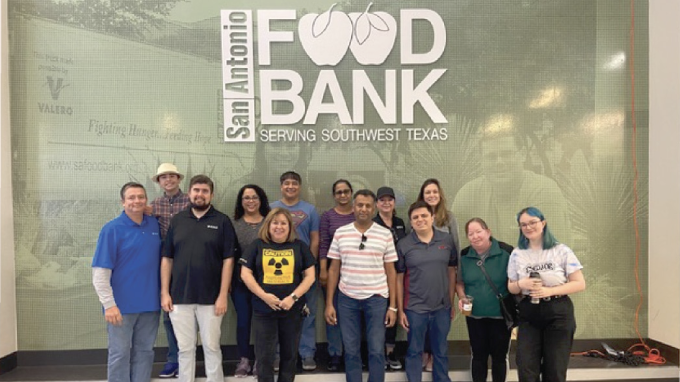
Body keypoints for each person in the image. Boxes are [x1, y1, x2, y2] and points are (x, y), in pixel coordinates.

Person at [160, 175, 236, 382]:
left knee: (212, 347)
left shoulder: (222, 221)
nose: (199, 194)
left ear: (211, 194)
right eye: (196, 190)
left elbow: (229, 260)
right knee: (185, 349)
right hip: (179, 297)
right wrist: (165, 292)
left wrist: (222, 295)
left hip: (211, 298)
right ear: (190, 192)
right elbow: (167, 258)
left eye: (204, 191)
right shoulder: (178, 220)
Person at [452, 124, 571, 245]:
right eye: (491, 157)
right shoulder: (469, 194)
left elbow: (550, 255)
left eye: (506, 154)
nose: (499, 162)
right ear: (482, 160)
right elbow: (452, 247)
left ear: (523, 154)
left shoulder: (544, 191)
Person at [325, 189, 398, 382]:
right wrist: (329, 304)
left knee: (376, 349)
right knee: (350, 350)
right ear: (353, 207)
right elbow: (333, 270)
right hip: (346, 299)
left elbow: (391, 271)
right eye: (359, 205)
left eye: (367, 205)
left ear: (374, 208)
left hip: (377, 299)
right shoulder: (341, 233)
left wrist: (393, 306)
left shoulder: (384, 234)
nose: (363, 209)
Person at [92, 182, 161, 382]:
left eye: (141, 197)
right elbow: (100, 273)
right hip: (120, 308)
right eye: (131, 197)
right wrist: (109, 304)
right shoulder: (111, 229)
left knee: (145, 352)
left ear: (146, 200)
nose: (136, 201)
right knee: (120, 354)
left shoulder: (154, 225)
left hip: (150, 305)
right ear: (123, 202)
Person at [507, 207, 586, 382]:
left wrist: (549, 291)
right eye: (523, 224)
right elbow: (511, 287)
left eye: (533, 222)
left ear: (543, 223)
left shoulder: (561, 250)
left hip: (558, 312)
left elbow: (579, 283)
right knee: (526, 367)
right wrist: (521, 284)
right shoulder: (517, 253)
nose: (528, 227)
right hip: (529, 313)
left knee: (555, 370)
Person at [240, 208, 316, 382]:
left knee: (289, 357)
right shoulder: (257, 245)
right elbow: (245, 274)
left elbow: (310, 276)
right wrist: (264, 296)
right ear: (268, 225)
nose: (279, 227)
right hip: (263, 311)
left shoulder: (300, 246)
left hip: (292, 310)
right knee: (265, 358)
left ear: (290, 227)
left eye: (283, 223)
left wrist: (293, 298)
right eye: (275, 223)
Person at [396, 201, 457, 382]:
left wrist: (451, 301)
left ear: (432, 217)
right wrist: (400, 310)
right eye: (415, 217)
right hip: (415, 309)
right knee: (414, 351)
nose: (420, 220)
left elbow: (452, 270)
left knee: (441, 351)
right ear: (411, 222)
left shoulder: (446, 240)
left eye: (424, 215)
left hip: (442, 308)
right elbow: (399, 278)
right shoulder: (404, 244)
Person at [270, 171, 320, 370]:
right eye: (286, 183)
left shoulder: (310, 210)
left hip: (304, 271)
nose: (290, 186)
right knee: (277, 313)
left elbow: (315, 238)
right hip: (278, 270)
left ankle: (307, 353)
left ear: (300, 187)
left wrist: (310, 264)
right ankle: (277, 354)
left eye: (294, 183)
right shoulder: (272, 208)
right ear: (281, 186)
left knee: (308, 313)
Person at [456, 218, 514, 382]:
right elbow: (459, 282)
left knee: (500, 357)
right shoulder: (464, 255)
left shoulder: (506, 252)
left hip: (500, 316)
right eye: (470, 234)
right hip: (475, 316)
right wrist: (461, 297)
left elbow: (516, 281)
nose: (475, 236)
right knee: (478, 356)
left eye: (478, 232)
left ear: (488, 232)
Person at [149, 163, 190, 379]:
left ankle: (188, 359)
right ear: (159, 182)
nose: (168, 180)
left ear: (178, 179)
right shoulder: (154, 205)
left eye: (172, 176)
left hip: (189, 261)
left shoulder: (191, 200)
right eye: (163, 177)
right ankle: (173, 359)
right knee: (169, 313)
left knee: (192, 314)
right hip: (165, 261)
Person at [416, 178, 460, 370]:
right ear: (422, 196)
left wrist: (458, 279)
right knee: (421, 317)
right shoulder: (417, 216)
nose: (432, 195)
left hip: (444, 277)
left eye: (434, 192)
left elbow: (456, 248)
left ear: (440, 194)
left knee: (440, 319)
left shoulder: (449, 218)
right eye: (428, 192)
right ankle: (424, 352)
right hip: (421, 278)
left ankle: (435, 354)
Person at [232, 185, 271, 377]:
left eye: (254, 197)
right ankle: (244, 359)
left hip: (266, 282)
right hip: (240, 284)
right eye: (246, 198)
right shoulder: (234, 224)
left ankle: (260, 361)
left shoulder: (269, 223)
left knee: (263, 323)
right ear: (241, 201)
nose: (250, 201)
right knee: (243, 321)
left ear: (261, 200)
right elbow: (228, 255)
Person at [318, 179, 355, 371]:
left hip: (355, 272)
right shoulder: (327, 217)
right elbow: (323, 244)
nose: (342, 195)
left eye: (346, 191)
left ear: (351, 193)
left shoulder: (359, 214)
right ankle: (334, 354)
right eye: (339, 192)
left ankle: (353, 354)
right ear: (334, 195)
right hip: (333, 272)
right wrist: (323, 270)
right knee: (332, 313)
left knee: (353, 316)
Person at [373, 186, 407, 370]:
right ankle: (377, 353)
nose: (386, 203)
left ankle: (391, 352)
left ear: (394, 202)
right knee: (379, 316)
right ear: (377, 203)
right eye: (382, 200)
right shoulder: (372, 223)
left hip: (399, 274)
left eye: (390, 199)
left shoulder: (400, 222)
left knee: (395, 312)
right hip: (379, 276)